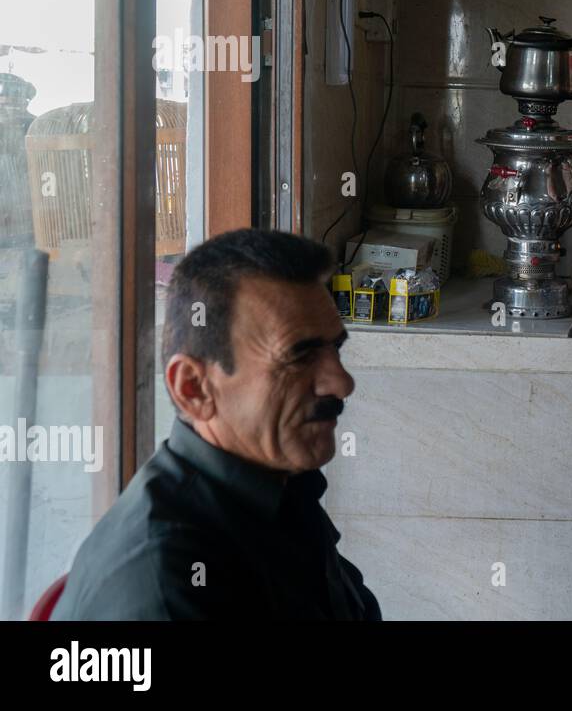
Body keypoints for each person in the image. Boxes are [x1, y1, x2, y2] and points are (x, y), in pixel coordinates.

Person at [53, 229, 380, 620]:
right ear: (193, 389)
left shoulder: (278, 484)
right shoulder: (164, 586)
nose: (342, 383)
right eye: (299, 357)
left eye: (335, 350)